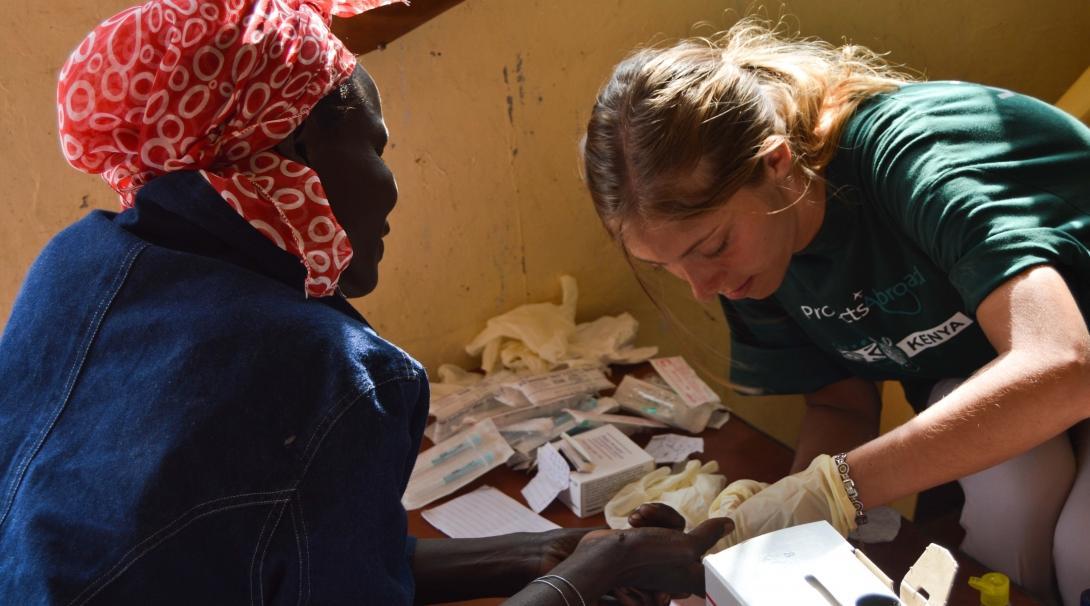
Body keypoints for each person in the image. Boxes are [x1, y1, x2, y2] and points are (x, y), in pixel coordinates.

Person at [0, 0, 729, 603]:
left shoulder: (77, 261)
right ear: (293, 153)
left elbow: (281, 555)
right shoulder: (329, 371)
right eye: (373, 147)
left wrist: (557, 550)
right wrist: (588, 579)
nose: (392, 186)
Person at [582, 18, 1090, 605]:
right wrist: (774, 530)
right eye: (665, 265)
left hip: (1061, 360)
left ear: (775, 164)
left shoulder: (912, 159)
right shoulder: (755, 257)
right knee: (1013, 487)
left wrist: (835, 488)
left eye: (712, 247)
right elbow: (837, 400)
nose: (703, 286)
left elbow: (1062, 365)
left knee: (1081, 544)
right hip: (1013, 378)